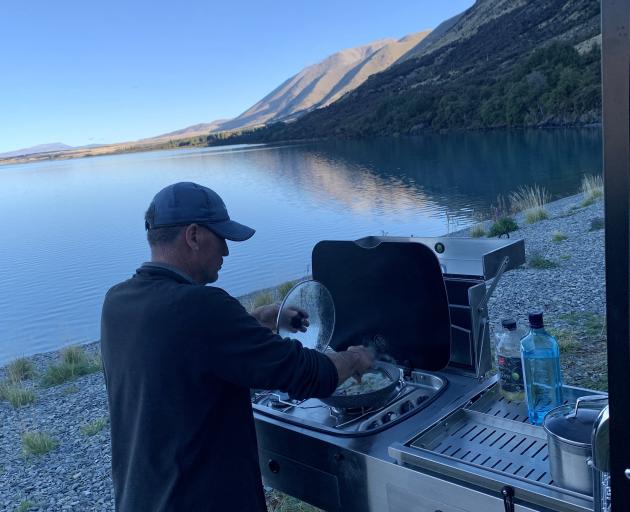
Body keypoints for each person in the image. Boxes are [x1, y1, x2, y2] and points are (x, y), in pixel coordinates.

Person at [100, 181, 373, 512]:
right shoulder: (201, 307)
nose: (227, 252)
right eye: (222, 239)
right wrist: (354, 358)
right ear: (194, 235)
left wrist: (260, 319)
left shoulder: (118, 302)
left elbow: (186, 349)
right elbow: (308, 375)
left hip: (141, 498)